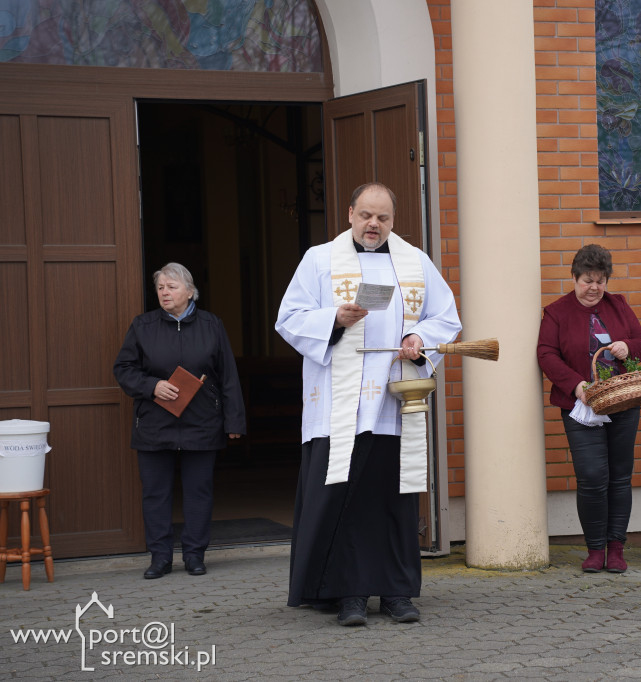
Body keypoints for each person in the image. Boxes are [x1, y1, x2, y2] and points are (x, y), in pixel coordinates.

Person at [276, 182, 460, 626]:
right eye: (366, 215)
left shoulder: (415, 262)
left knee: (392, 500)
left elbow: (446, 317)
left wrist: (418, 337)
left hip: (393, 404)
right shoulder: (319, 260)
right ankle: (350, 594)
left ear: (393, 221)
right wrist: (334, 319)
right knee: (346, 500)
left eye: (382, 217)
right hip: (339, 405)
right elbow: (289, 319)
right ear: (350, 214)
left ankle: (396, 592)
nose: (373, 224)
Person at [113, 263, 246, 580]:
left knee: (199, 492)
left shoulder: (212, 325)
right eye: (160, 287)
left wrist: (234, 421)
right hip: (154, 423)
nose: (164, 293)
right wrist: (152, 386)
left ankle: (194, 555)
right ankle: (160, 557)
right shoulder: (142, 326)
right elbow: (124, 369)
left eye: (171, 287)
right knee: (155, 493)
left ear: (190, 291)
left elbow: (228, 376)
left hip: (202, 422)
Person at [537, 244, 641, 573]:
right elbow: (546, 354)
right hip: (581, 407)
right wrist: (576, 386)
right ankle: (595, 548)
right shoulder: (556, 312)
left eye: (600, 281)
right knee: (591, 477)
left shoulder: (619, 305)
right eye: (588, 280)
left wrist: (628, 346)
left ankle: (616, 548)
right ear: (574, 278)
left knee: (619, 477)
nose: (594, 287)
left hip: (622, 402)